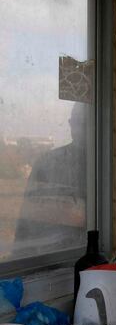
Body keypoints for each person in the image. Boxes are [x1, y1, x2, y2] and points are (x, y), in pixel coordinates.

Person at [14, 103, 87, 257]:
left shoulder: (105, 167)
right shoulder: (48, 162)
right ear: (70, 123)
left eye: (86, 123)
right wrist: (19, 258)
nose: (82, 129)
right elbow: (25, 222)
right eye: (78, 122)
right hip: (48, 258)